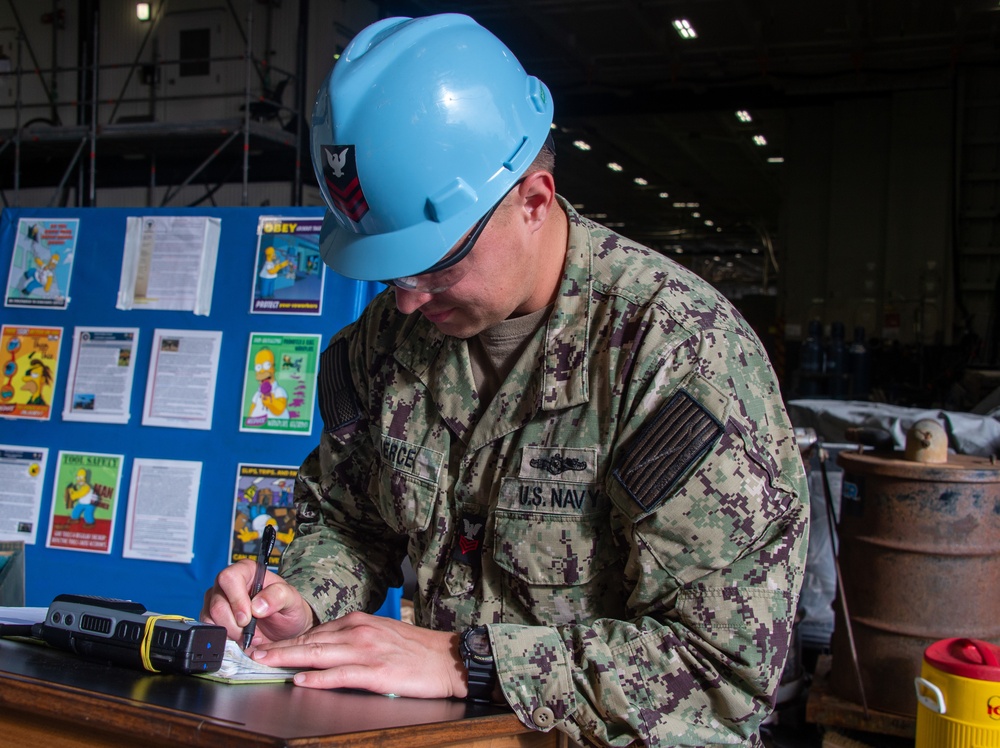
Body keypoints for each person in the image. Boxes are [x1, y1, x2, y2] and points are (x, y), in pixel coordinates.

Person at [202, 13, 808, 747]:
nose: (407, 299)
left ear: (534, 201)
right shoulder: (385, 342)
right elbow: (351, 523)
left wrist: (470, 662)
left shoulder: (677, 360)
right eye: (391, 270)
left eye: (437, 263)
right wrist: (301, 600)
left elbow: (723, 674)